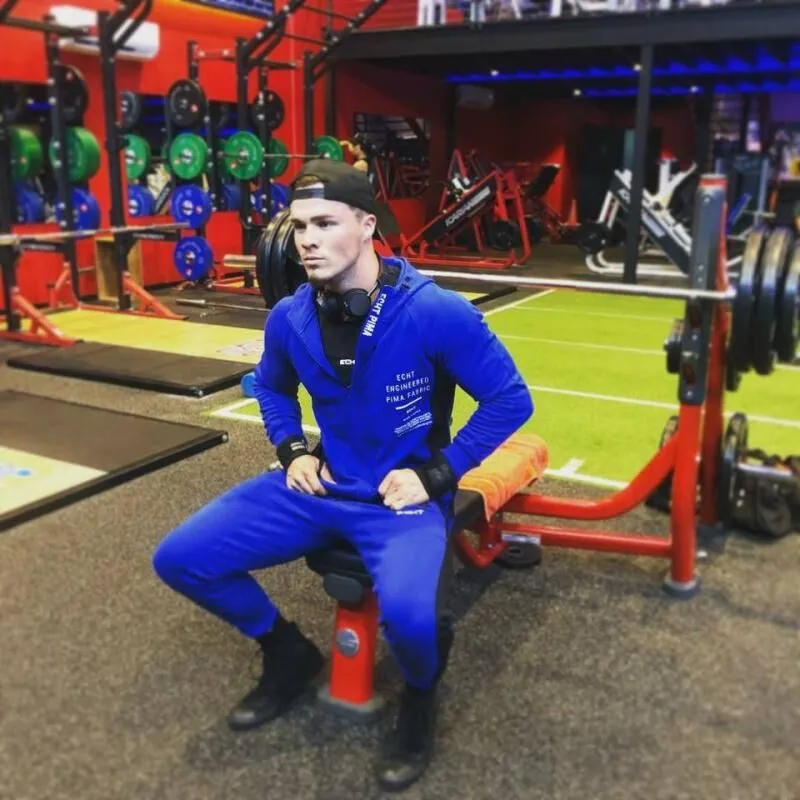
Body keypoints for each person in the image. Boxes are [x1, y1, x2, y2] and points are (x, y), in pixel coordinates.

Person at [152, 159, 534, 792]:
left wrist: (441, 474)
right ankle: (287, 652)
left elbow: (510, 400)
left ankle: (419, 696)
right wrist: (291, 451)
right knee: (182, 558)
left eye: (325, 223)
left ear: (366, 225)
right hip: (322, 486)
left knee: (413, 623)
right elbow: (272, 387)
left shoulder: (434, 311)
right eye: (299, 225)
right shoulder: (289, 317)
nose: (307, 239)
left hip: (402, 499)